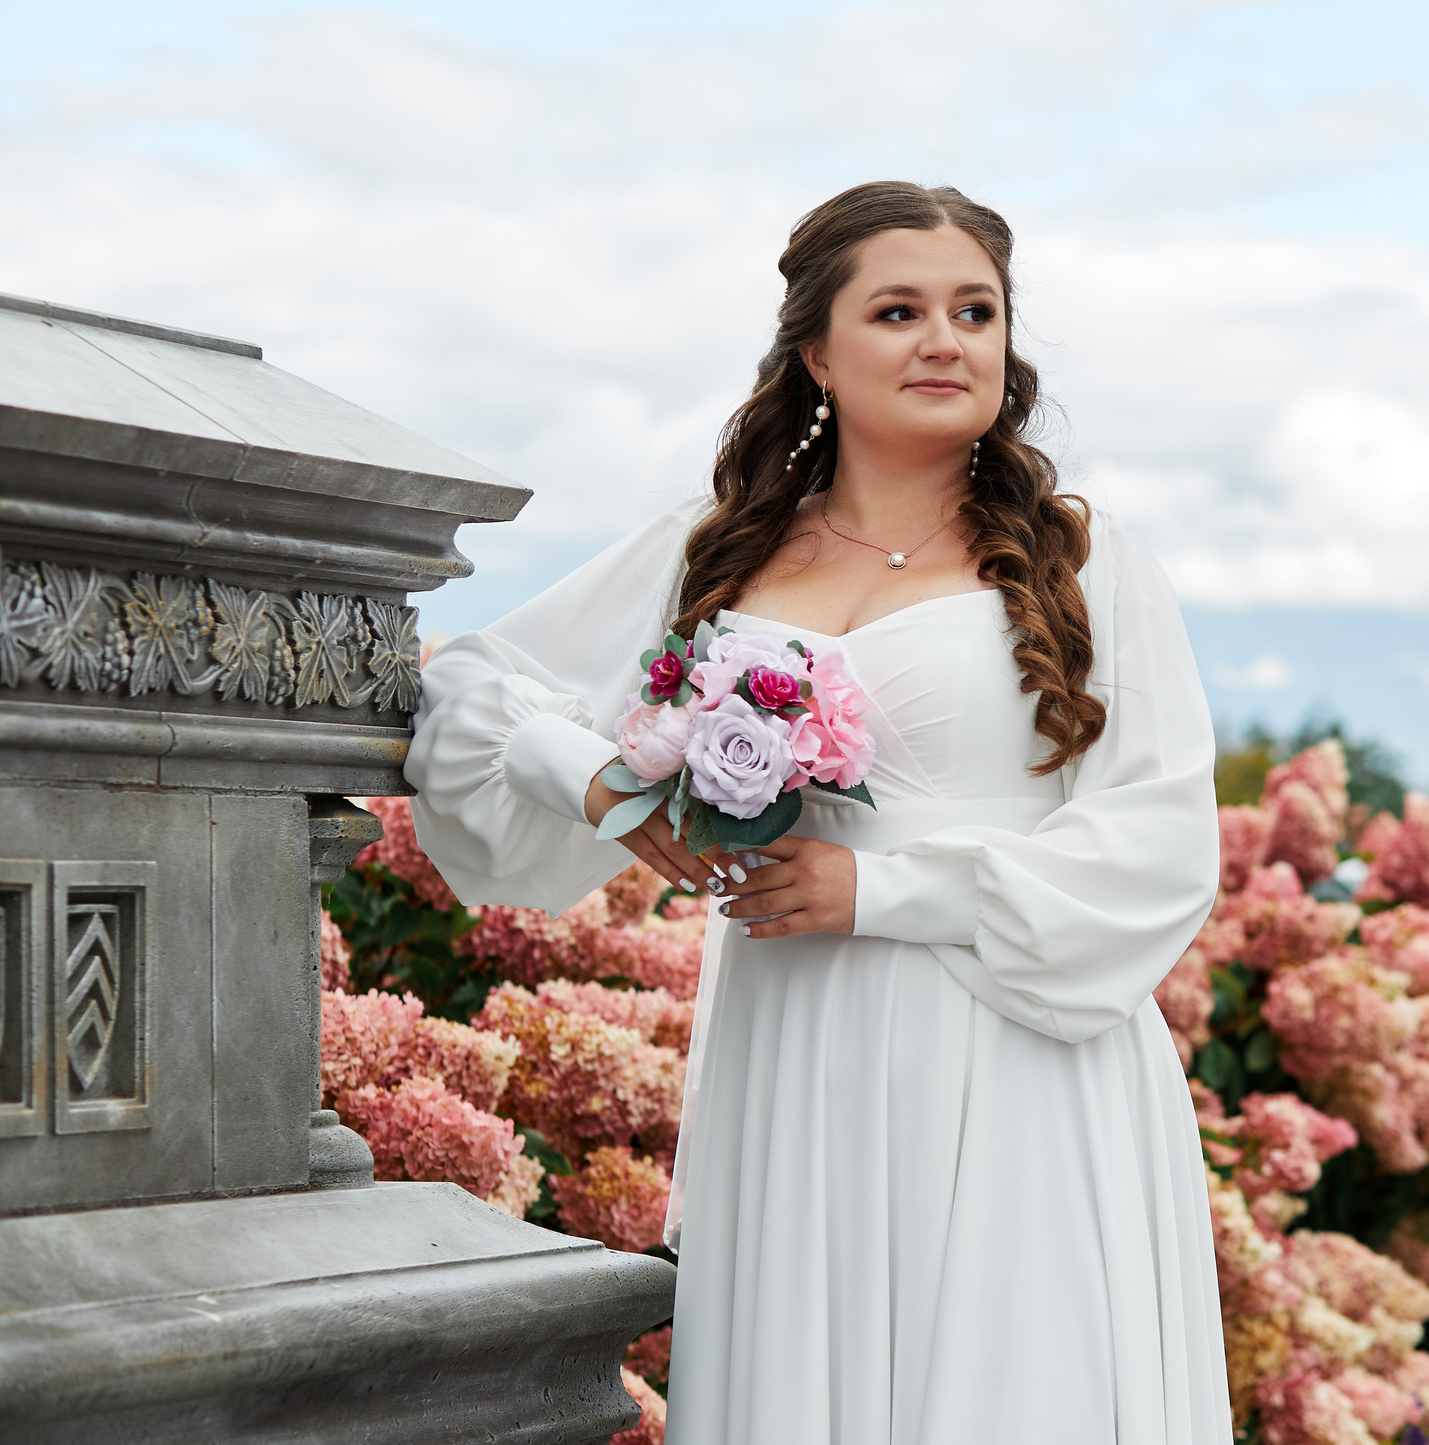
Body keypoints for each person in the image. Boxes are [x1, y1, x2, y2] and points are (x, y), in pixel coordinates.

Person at [404, 182, 1231, 1444]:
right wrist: (601, 780)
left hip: (1011, 1049)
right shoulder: (720, 551)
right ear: (815, 354)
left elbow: (1160, 842)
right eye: (898, 310)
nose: (944, 340)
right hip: (797, 1050)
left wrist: (881, 892)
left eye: (976, 311)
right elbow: (470, 686)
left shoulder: (1083, 558)